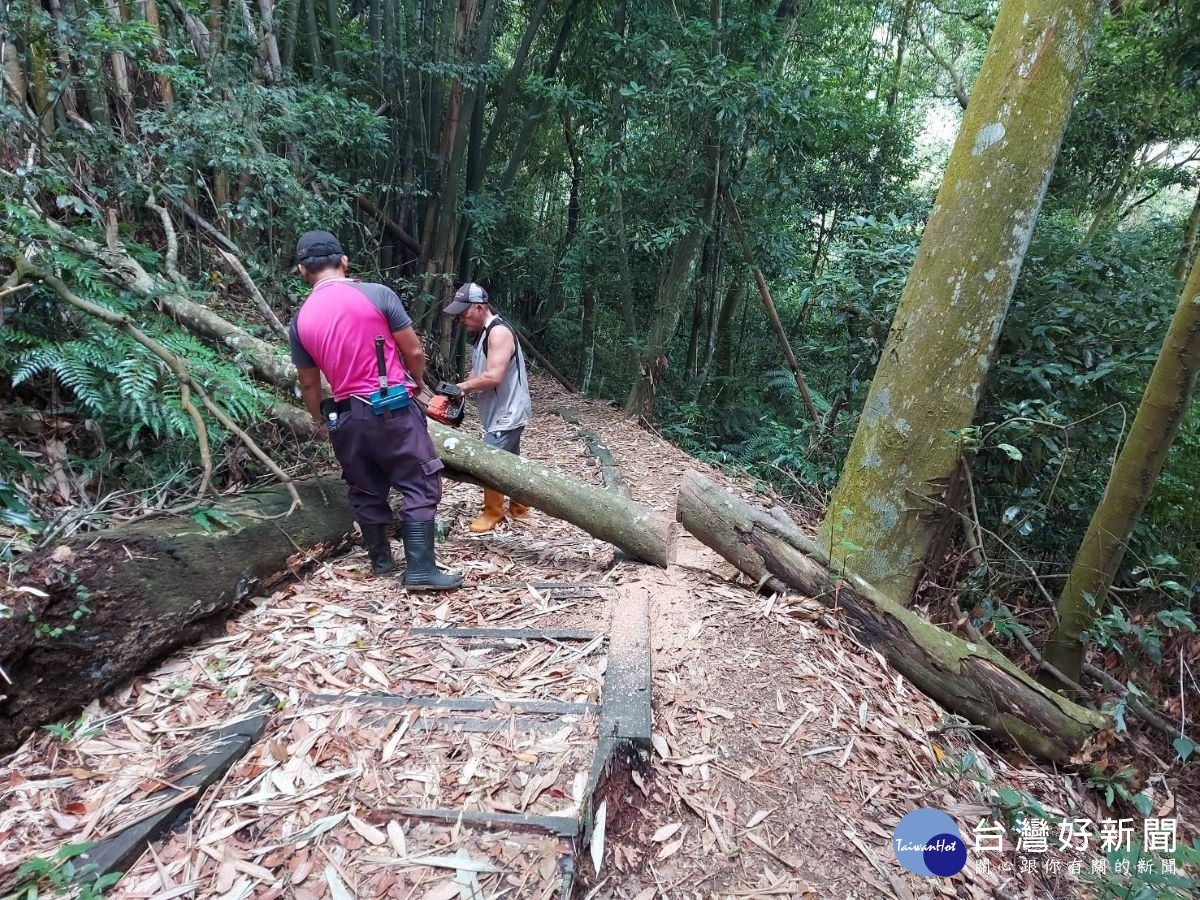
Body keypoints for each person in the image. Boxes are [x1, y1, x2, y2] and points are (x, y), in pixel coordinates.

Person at [289, 230, 461, 590]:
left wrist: (320, 419)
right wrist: (415, 383)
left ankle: (380, 561)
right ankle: (420, 570)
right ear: (345, 261)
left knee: (365, 487)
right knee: (418, 481)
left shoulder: (300, 320)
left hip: (345, 416)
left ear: (303, 270)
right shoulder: (376, 294)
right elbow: (413, 351)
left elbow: (308, 384)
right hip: (392, 407)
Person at [442, 282, 532, 532]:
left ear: (480, 308)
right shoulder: (483, 334)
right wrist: (462, 390)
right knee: (511, 460)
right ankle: (520, 505)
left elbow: (493, 377)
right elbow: (478, 372)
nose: (460, 318)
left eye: (464, 312)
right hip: (500, 411)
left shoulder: (498, 333)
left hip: (508, 412)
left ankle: (493, 512)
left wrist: (463, 387)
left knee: (491, 463)